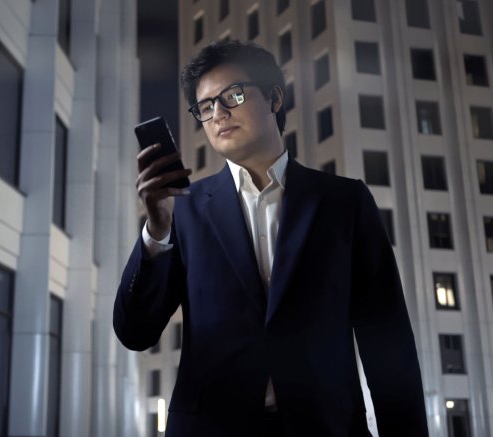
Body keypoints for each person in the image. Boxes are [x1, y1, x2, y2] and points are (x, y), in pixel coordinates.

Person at [113, 40, 428, 436]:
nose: (218, 114)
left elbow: (387, 337)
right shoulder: (183, 209)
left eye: (233, 95)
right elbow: (135, 333)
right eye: (205, 106)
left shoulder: (343, 202)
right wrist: (156, 232)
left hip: (326, 427)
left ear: (275, 98)